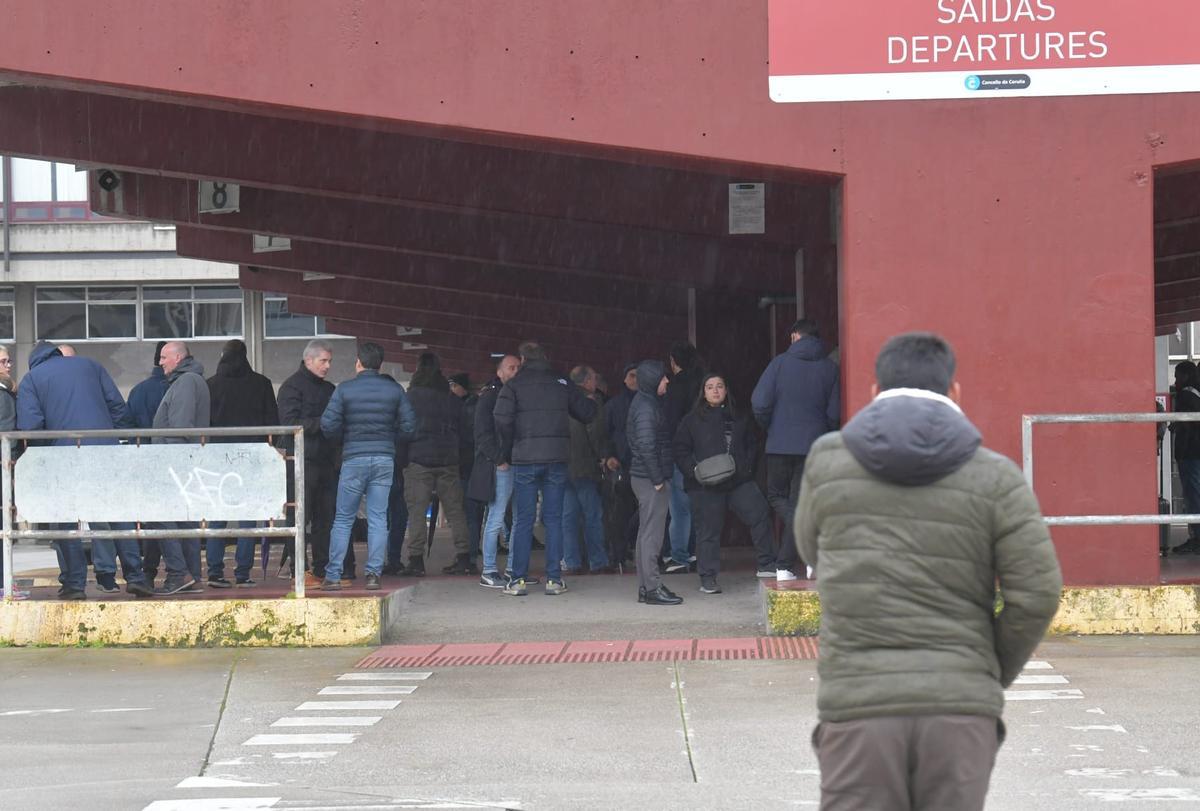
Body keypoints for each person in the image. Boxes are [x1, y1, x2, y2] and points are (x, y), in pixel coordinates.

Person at [796, 332, 1062, 811]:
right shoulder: (996, 476)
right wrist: (986, 668)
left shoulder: (827, 463)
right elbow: (1038, 592)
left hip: (858, 702)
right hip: (959, 708)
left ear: (874, 391)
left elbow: (809, 547)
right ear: (954, 392)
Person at [16, 340, 154, 600]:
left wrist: (42, 459)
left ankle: (75, 584)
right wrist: (115, 442)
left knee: (65, 520)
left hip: (62, 458)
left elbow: (31, 427)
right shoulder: (91, 365)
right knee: (118, 514)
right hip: (105, 452)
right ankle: (136, 578)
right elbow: (118, 409)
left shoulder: (31, 379)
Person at [494, 341, 596, 596]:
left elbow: (501, 418)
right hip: (556, 459)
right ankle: (553, 579)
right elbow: (586, 412)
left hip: (525, 458)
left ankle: (517, 580)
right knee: (553, 519)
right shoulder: (560, 382)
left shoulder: (514, 385)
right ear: (545, 357)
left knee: (524, 519)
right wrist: (592, 399)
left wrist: (511, 444)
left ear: (523, 359)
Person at [319, 342, 416, 591]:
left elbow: (328, 425)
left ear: (358, 363)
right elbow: (409, 426)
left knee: (343, 519)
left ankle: (333, 575)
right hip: (384, 459)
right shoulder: (394, 390)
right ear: (380, 365)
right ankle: (373, 574)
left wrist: (345, 439)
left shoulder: (344, 389)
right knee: (378, 518)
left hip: (353, 458)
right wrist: (389, 440)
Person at [751, 318, 840, 581]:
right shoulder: (830, 368)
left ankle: (786, 564)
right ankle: (794, 562)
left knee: (776, 496)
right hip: (813, 446)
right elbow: (834, 413)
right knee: (800, 501)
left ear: (794, 337)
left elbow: (759, 402)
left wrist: (772, 427)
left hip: (779, 445)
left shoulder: (779, 364)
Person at [673, 373, 776, 593]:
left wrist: (746, 468)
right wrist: (694, 471)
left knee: (760, 514)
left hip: (738, 481)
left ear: (726, 390)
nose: (715, 390)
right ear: (703, 392)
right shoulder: (691, 420)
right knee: (708, 531)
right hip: (705, 485)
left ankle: (767, 565)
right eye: (710, 387)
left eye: (720, 386)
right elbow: (680, 450)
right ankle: (708, 578)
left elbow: (752, 444)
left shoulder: (739, 416)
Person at [278, 339, 354, 585]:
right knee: (299, 517)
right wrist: (323, 423)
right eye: (323, 361)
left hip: (327, 462)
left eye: (329, 361)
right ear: (308, 360)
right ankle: (299, 569)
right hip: (301, 463)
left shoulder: (330, 389)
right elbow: (289, 423)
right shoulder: (291, 387)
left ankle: (322, 568)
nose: (328, 366)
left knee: (326, 518)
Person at [205, 339, 277, 588]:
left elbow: (205, 424)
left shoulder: (210, 385)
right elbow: (273, 424)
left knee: (217, 516)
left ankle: (215, 572)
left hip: (219, 459)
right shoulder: (262, 384)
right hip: (251, 458)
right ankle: (243, 572)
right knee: (248, 517)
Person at [399, 353, 472, 577]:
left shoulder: (410, 398)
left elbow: (402, 431)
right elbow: (465, 433)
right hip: (448, 460)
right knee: (455, 511)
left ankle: (416, 560)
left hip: (418, 460)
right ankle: (464, 557)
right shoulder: (451, 399)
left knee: (417, 512)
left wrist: (402, 460)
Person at [152, 340, 210, 594]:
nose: (160, 362)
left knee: (162, 517)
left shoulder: (185, 382)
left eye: (164, 357)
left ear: (177, 358)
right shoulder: (190, 380)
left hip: (175, 464)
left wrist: (169, 466)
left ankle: (179, 573)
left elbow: (180, 428)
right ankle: (191, 577)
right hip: (184, 463)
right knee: (185, 521)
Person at [627, 359, 682, 606]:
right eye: (663, 377)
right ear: (652, 380)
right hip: (651, 479)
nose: (667, 381)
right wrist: (658, 478)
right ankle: (652, 588)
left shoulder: (644, 403)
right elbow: (646, 444)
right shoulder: (647, 407)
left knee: (645, 534)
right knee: (652, 535)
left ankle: (646, 586)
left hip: (644, 477)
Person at [466, 354, 522, 588]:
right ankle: (489, 569)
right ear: (499, 372)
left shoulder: (517, 394)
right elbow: (482, 433)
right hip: (502, 465)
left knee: (519, 518)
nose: (516, 371)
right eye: (511, 367)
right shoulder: (490, 397)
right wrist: (499, 460)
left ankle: (512, 569)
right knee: (496, 517)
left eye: (518, 367)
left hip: (517, 462)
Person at [562, 365, 615, 574]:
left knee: (569, 517)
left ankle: (572, 561)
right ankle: (598, 561)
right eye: (594, 378)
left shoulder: (561, 399)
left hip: (564, 466)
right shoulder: (590, 401)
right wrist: (604, 456)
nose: (596, 382)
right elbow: (595, 432)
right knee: (593, 515)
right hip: (585, 466)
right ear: (586, 382)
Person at [662, 342, 705, 574]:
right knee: (696, 503)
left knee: (679, 508)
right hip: (701, 452)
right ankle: (694, 552)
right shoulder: (702, 383)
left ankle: (679, 556)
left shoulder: (675, 387)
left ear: (673, 361)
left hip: (679, 452)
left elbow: (670, 423)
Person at [604, 362, 640, 569]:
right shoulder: (614, 405)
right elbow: (605, 433)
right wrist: (608, 456)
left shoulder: (652, 402)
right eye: (632, 375)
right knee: (620, 513)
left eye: (639, 376)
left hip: (646, 466)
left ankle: (642, 551)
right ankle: (618, 554)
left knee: (648, 512)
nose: (635, 380)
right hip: (622, 466)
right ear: (625, 379)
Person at [0, 345, 27, 600]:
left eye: (8, 360)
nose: (8, 365)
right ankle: (3, 584)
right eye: (3, 361)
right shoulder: (3, 395)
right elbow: (9, 432)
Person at [449, 372, 484, 569]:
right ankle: (471, 552)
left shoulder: (465, 409)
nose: (451, 390)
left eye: (454, 385)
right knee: (473, 513)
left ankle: (469, 556)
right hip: (473, 465)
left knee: (467, 513)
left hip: (466, 466)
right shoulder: (474, 405)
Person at [1170, 361, 1200, 555]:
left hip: (1189, 454)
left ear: (1186, 376)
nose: (1175, 381)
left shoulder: (1186, 395)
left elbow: (1187, 425)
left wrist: (1180, 453)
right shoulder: (1197, 393)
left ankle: (1196, 539)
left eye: (1177, 376)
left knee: (1193, 496)